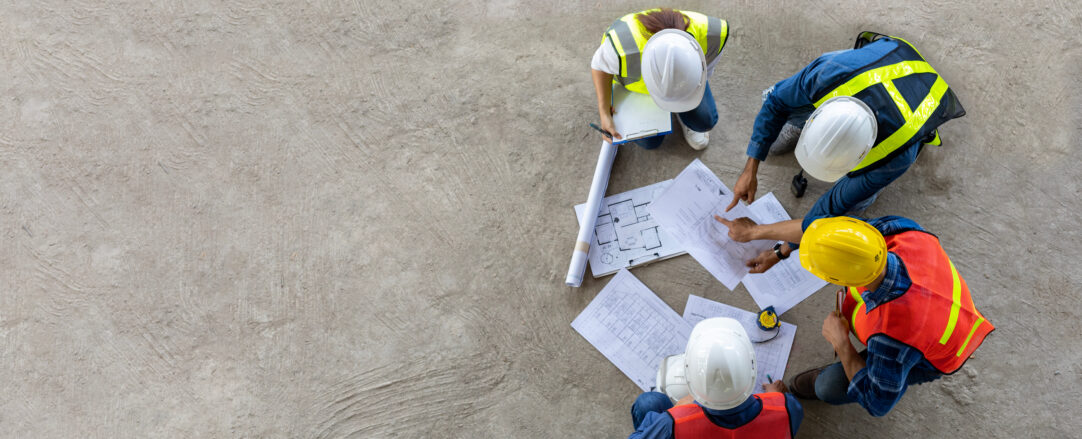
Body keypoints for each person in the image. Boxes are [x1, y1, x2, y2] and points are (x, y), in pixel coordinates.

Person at [721, 32, 966, 273]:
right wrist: (750, 167)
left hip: (916, 92)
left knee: (854, 201)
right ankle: (798, 119)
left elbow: (819, 219)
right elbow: (775, 103)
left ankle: (865, 195)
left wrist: (772, 245)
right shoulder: (828, 73)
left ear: (860, 156)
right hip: (871, 68)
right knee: (781, 98)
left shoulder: (893, 159)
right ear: (818, 116)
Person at [720, 215, 994, 417]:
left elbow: (878, 403)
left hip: (940, 350)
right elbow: (829, 234)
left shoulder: (893, 336)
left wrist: (842, 344)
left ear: (838, 279)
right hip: (942, 306)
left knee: (828, 387)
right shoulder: (896, 231)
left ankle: (835, 376)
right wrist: (780, 252)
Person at [628, 318, 803, 438]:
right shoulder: (788, 407)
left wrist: (674, 413)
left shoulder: (671, 424)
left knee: (648, 403)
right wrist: (776, 398)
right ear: (751, 371)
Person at [591, 8, 728, 150]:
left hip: (687, 86)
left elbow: (707, 73)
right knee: (649, 142)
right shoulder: (622, 48)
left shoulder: (713, 35)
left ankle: (684, 114)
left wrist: (685, 92)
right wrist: (604, 112)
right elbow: (599, 66)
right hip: (636, 92)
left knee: (705, 121)